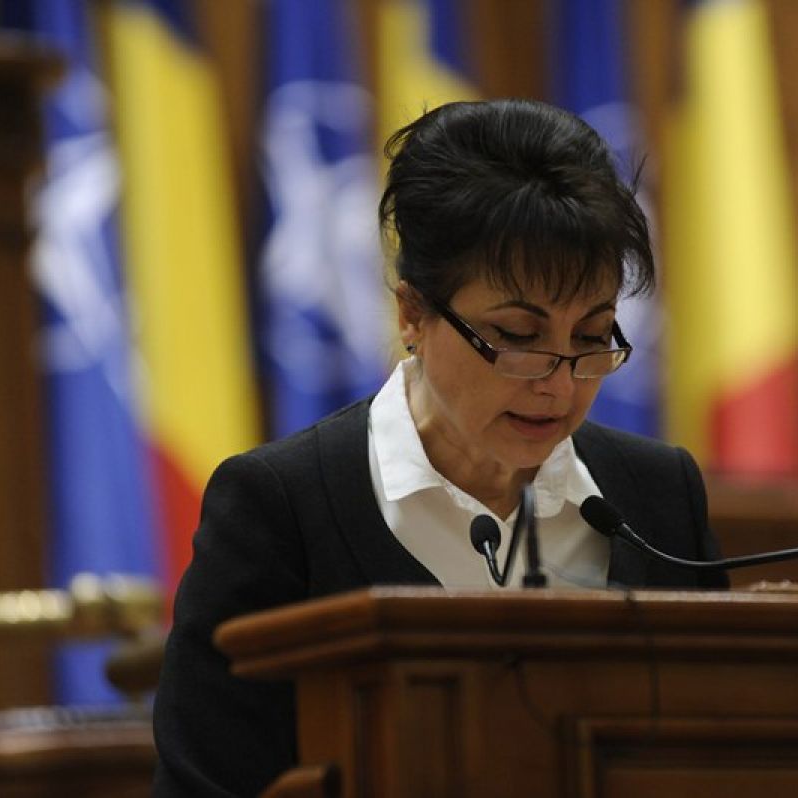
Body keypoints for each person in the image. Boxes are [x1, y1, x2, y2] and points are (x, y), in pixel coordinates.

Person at [152, 98, 728, 797]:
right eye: (517, 336)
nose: (558, 383)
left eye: (590, 336)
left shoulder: (658, 496)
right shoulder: (278, 508)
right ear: (413, 314)